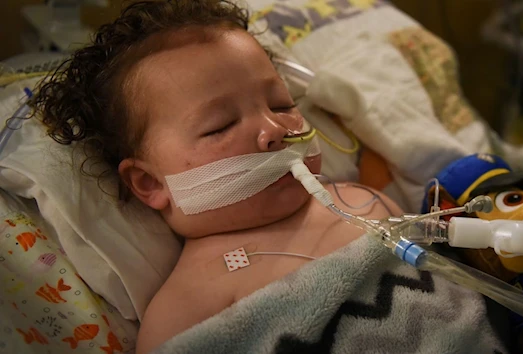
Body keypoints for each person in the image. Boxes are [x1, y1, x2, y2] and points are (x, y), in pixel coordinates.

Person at [32, 1, 402, 352]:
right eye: (220, 126)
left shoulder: (361, 199)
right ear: (151, 183)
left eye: (281, 105)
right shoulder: (187, 308)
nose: (274, 129)